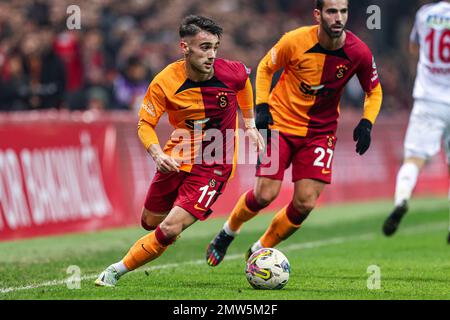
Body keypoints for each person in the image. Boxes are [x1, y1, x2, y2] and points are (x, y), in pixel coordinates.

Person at [206, 0, 383, 266]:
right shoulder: (294, 40)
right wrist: (262, 107)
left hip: (320, 133)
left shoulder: (358, 52)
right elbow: (265, 68)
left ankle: (259, 249)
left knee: (305, 203)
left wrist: (367, 121)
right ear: (317, 15)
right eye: (331, 11)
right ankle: (227, 231)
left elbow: (374, 90)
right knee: (265, 194)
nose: (338, 18)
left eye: (343, 11)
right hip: (280, 124)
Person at [95, 15, 264, 286]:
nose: (212, 55)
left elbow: (244, 82)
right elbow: (145, 123)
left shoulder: (229, 71)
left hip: (215, 164)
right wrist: (157, 154)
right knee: (149, 222)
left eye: (215, 48)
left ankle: (115, 271)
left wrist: (250, 123)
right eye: (205, 47)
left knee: (169, 228)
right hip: (176, 157)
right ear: (184, 48)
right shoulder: (165, 82)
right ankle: (169, 229)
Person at [382, 1, 450, 243]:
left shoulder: (425, 14)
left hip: (428, 99)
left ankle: (401, 200)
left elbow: (413, 48)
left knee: (414, 159)